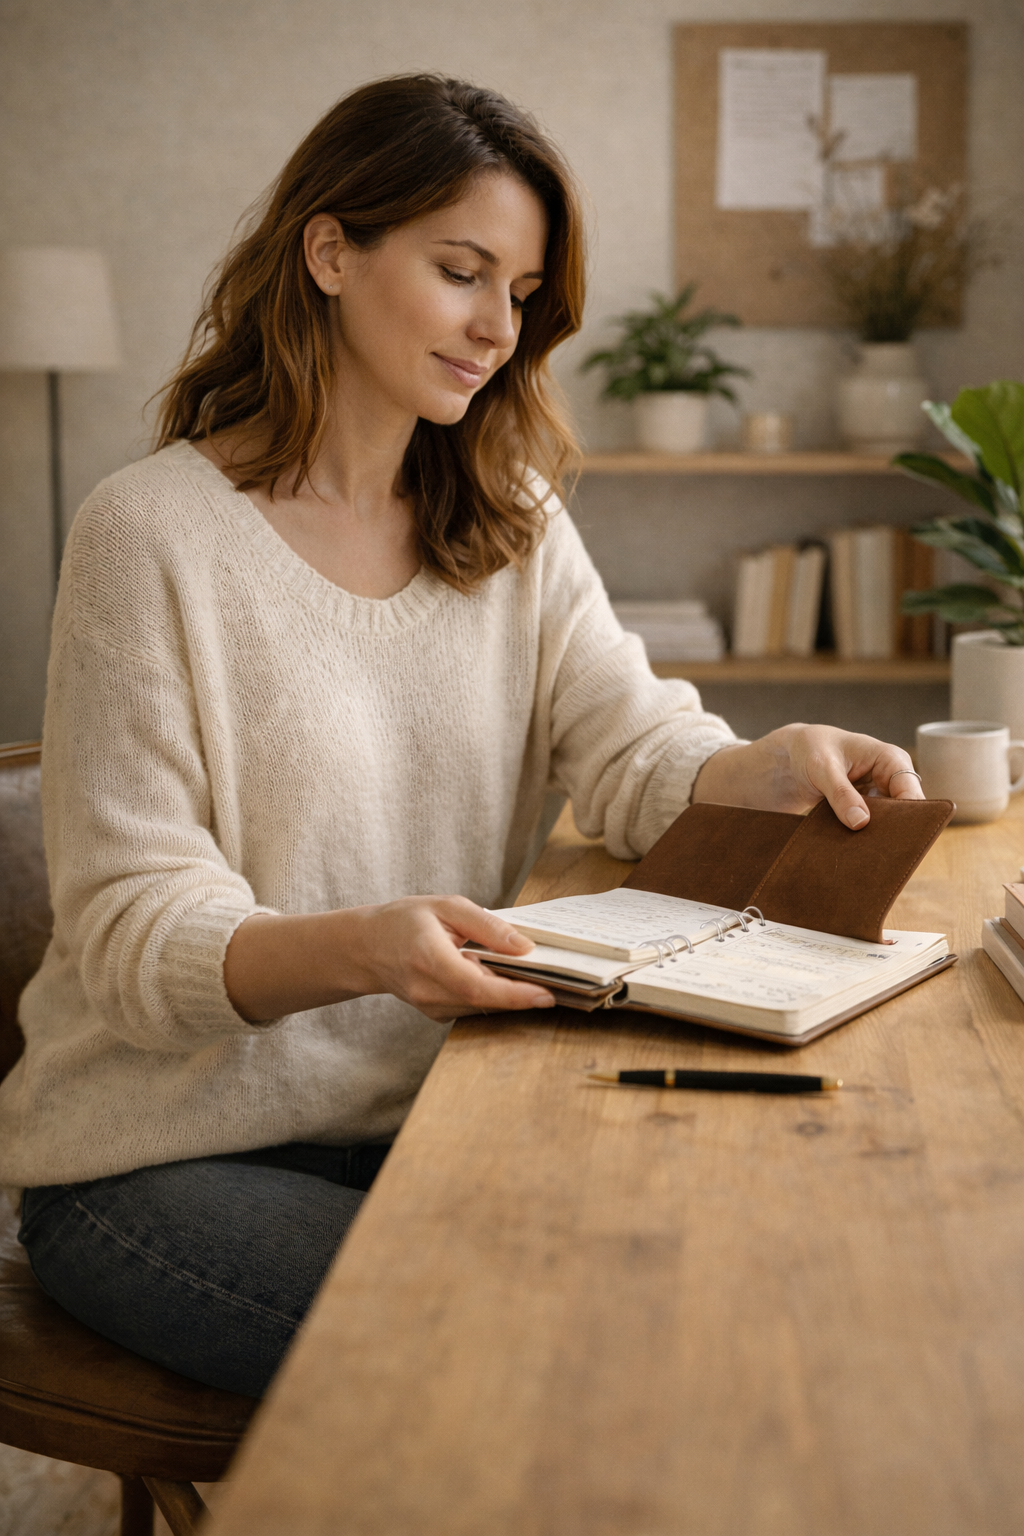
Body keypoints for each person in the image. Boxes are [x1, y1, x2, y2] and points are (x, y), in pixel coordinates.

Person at [0, 75, 924, 1399]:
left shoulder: (509, 513)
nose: (499, 327)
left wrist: (758, 767)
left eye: (524, 292)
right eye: (460, 272)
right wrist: (368, 950)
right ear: (331, 251)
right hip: (160, 1161)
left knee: (718, 1280)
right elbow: (138, 935)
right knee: (537, 1360)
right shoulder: (147, 534)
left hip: (439, 1117)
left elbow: (629, 748)